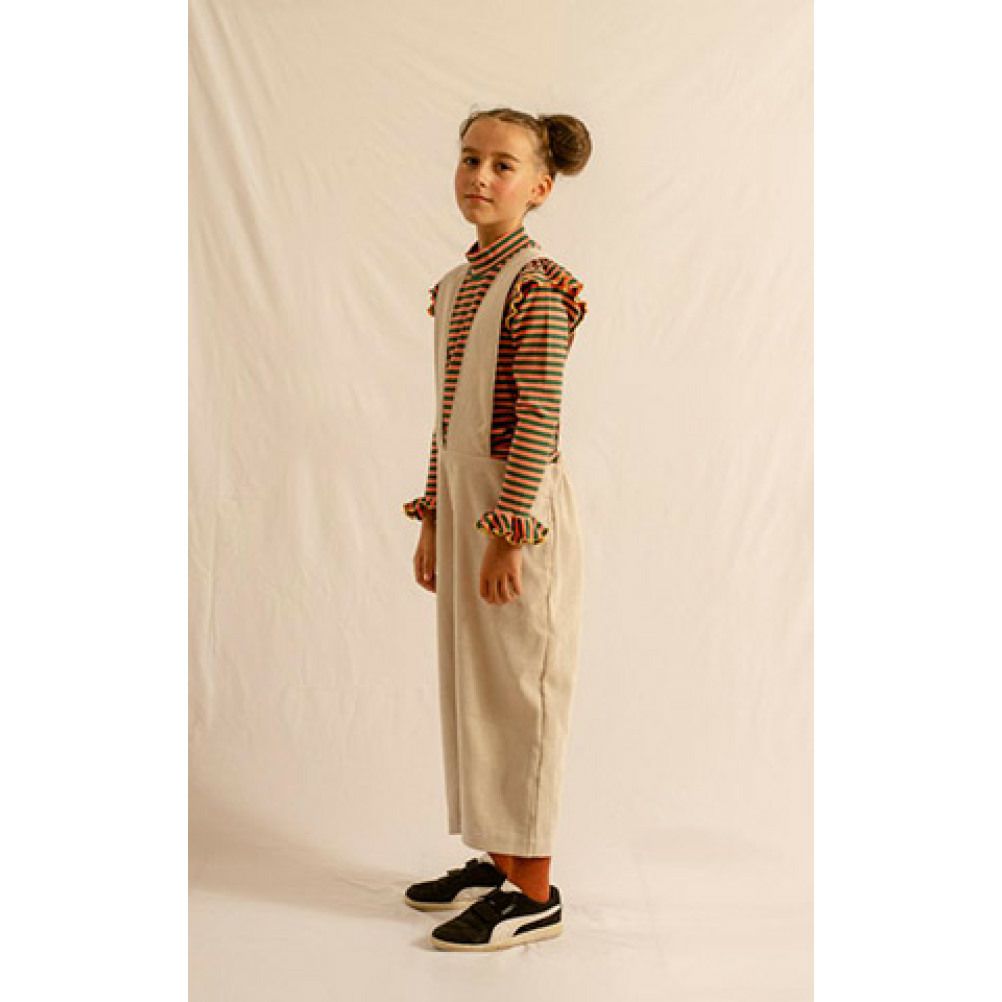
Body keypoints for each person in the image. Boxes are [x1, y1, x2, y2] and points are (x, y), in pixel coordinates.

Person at [401, 106, 592, 951]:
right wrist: (434, 520)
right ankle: (497, 860)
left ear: (540, 187)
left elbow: (538, 419)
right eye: (470, 158)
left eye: (503, 165)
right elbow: (449, 420)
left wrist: (509, 534)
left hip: (520, 516)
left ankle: (536, 890)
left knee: (523, 691)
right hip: (469, 507)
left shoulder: (538, 287)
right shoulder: (458, 285)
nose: (480, 176)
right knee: (474, 689)